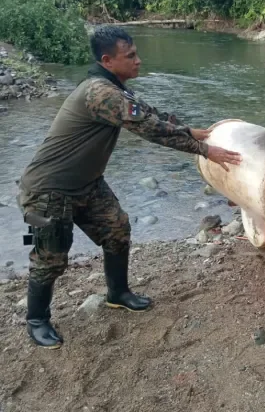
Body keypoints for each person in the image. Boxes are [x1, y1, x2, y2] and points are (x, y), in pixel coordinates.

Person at [17, 25, 241, 349]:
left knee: (117, 229)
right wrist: (206, 151)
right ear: (108, 60)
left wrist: (192, 131)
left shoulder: (117, 89)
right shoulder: (100, 93)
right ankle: (37, 320)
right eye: (130, 55)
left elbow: (150, 115)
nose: (139, 60)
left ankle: (118, 293)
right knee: (51, 257)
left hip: (87, 184)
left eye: (136, 53)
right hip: (50, 190)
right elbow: (149, 129)